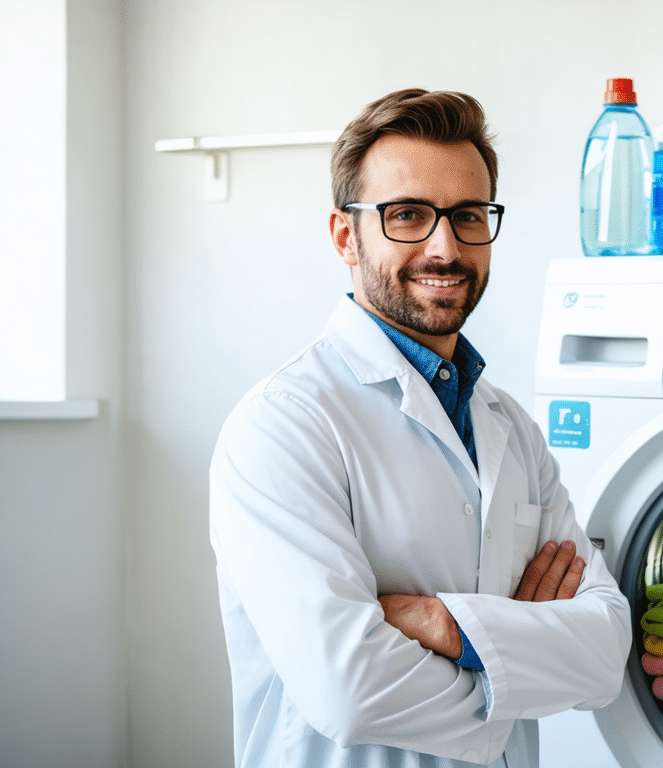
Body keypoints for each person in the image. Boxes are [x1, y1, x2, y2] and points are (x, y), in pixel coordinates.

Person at [209, 88, 633, 768]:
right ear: (346, 236)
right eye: (407, 215)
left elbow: (607, 651)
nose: (445, 247)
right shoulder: (284, 426)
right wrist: (522, 658)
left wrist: (444, 625)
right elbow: (349, 692)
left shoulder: (512, 428)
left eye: (468, 216)